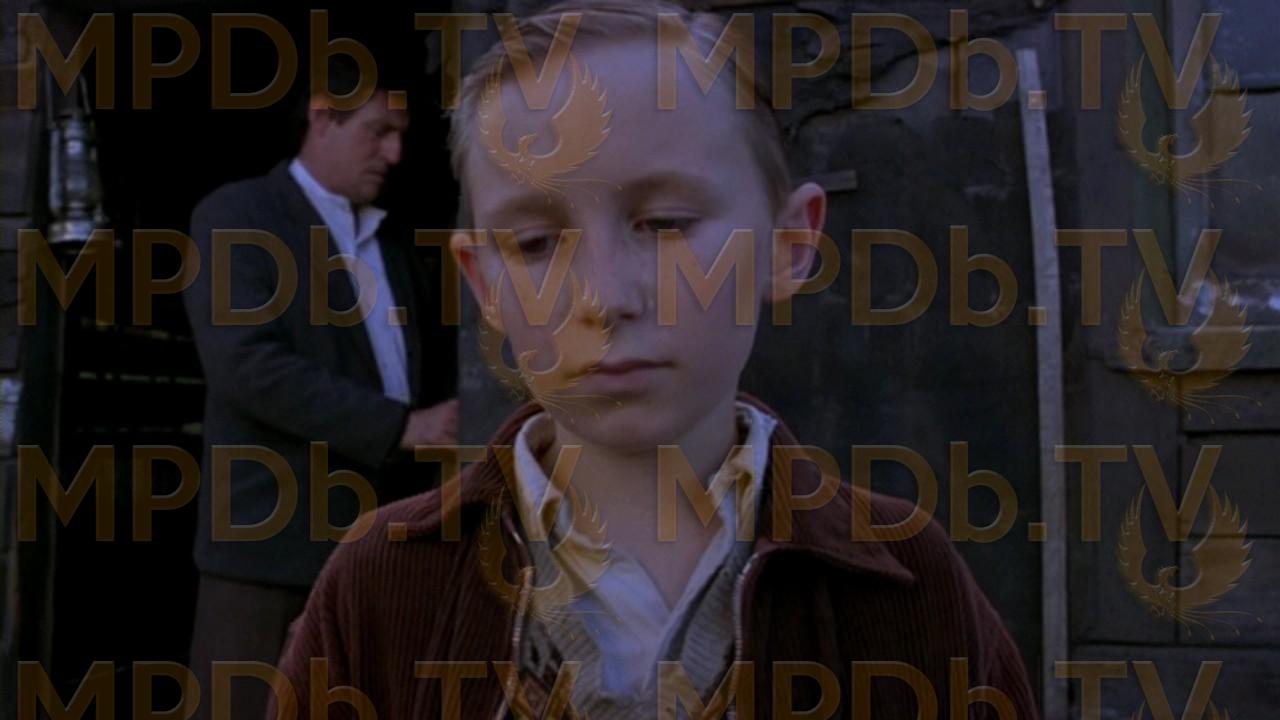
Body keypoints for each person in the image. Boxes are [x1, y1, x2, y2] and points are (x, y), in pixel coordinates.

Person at [272, 3, 1039, 718]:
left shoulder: (908, 581)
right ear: (484, 286)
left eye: (666, 224)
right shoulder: (382, 584)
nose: (605, 296)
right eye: (535, 243)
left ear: (788, 244)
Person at [181, 57, 458, 720]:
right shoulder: (239, 214)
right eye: (378, 131)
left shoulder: (392, 240)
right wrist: (403, 427)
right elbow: (247, 365)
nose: (394, 154)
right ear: (323, 117)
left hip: (373, 554)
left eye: (401, 136)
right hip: (267, 553)